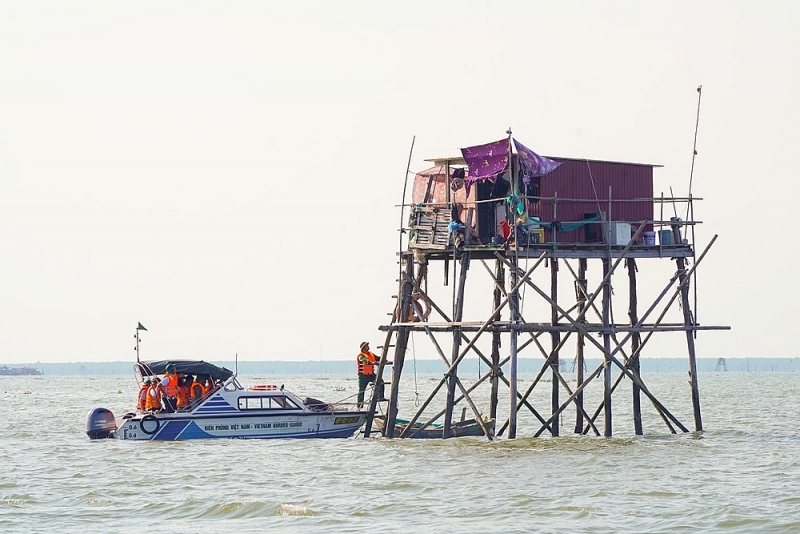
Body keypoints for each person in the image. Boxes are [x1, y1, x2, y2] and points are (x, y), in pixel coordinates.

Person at [356, 341, 390, 407]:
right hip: (363, 376)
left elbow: (379, 358)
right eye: (366, 345)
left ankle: (380, 396)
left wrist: (385, 360)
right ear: (363, 348)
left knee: (381, 382)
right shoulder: (361, 356)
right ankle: (359, 406)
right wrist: (373, 362)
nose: (368, 346)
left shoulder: (371, 354)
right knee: (361, 391)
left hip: (371, 374)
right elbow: (365, 361)